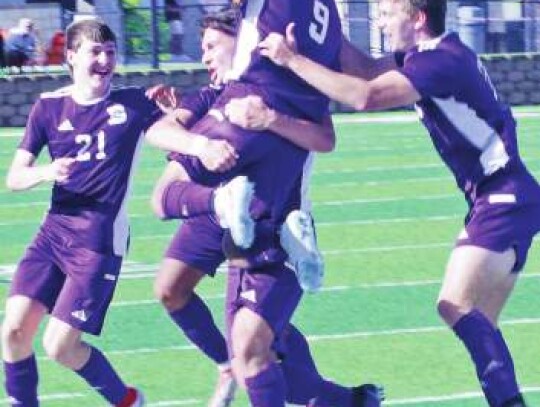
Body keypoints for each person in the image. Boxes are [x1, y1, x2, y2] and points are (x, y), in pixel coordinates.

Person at [260, 0, 540, 406]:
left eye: (389, 14)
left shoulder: (439, 63)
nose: (380, 21)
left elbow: (366, 95)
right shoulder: (429, 55)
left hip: (503, 195)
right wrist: (315, 28)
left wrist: (292, 59)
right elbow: (366, 69)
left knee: (453, 304)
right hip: (505, 196)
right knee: (482, 328)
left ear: (419, 19)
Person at [147, 1, 383, 405]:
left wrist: (270, 117)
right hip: (219, 209)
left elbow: (326, 138)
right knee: (175, 292)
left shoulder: (258, 82)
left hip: (267, 212)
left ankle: (344, 400)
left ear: (243, 40)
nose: (204, 55)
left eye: (211, 45)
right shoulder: (210, 93)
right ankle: (237, 367)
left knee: (254, 348)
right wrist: (198, 142)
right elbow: (163, 129)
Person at [0, 18, 210, 407]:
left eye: (110, 53)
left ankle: (128, 400)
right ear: (72, 57)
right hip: (53, 233)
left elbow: (165, 133)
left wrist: (197, 142)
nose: (104, 60)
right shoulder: (48, 106)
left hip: (98, 239)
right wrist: (47, 171)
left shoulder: (132, 104)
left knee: (59, 346)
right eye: (95, 52)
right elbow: (14, 177)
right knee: (12, 332)